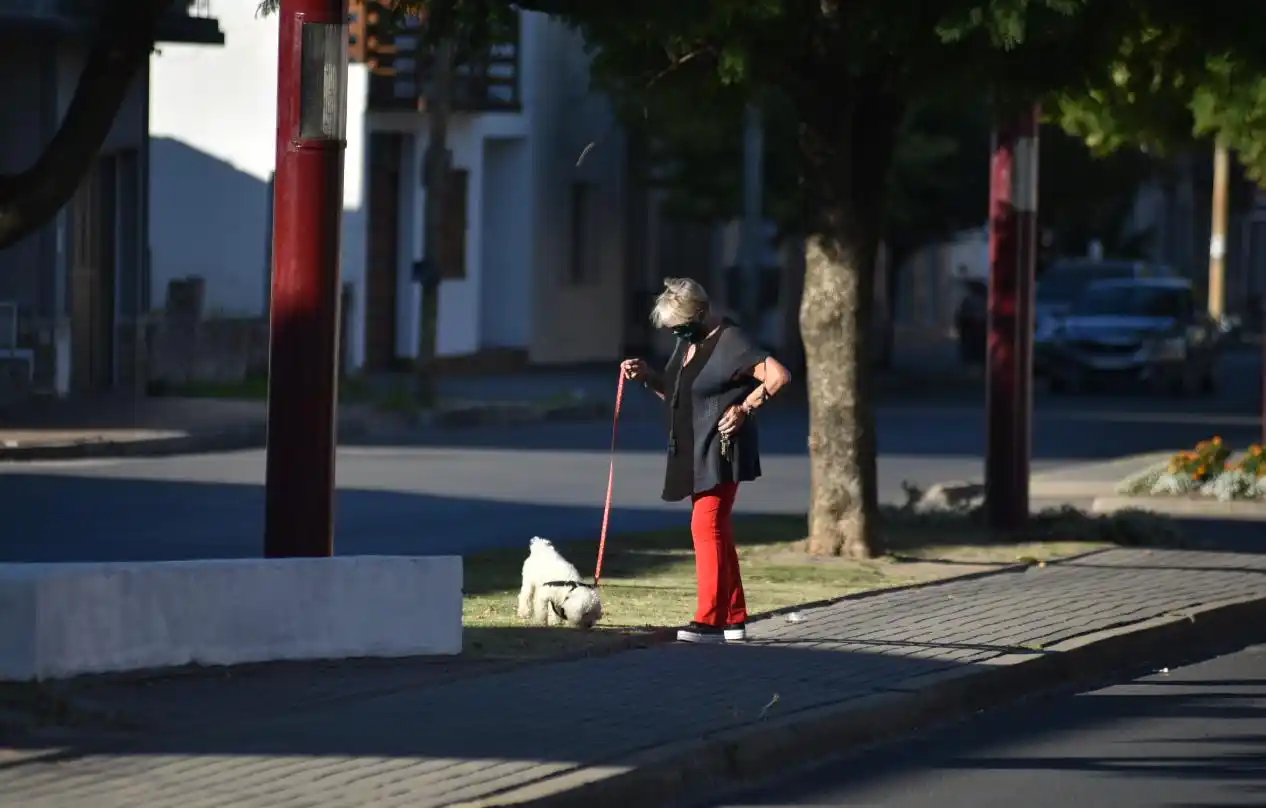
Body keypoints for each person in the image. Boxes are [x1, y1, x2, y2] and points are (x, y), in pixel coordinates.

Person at [621, 278, 792, 644]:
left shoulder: (732, 341)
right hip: (693, 448)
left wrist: (745, 407)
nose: (677, 333)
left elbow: (779, 376)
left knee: (706, 524)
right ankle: (733, 618)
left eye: (680, 326)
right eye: (673, 330)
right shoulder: (689, 343)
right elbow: (680, 395)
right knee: (717, 529)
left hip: (722, 447)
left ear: (699, 313)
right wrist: (648, 376)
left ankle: (709, 620)